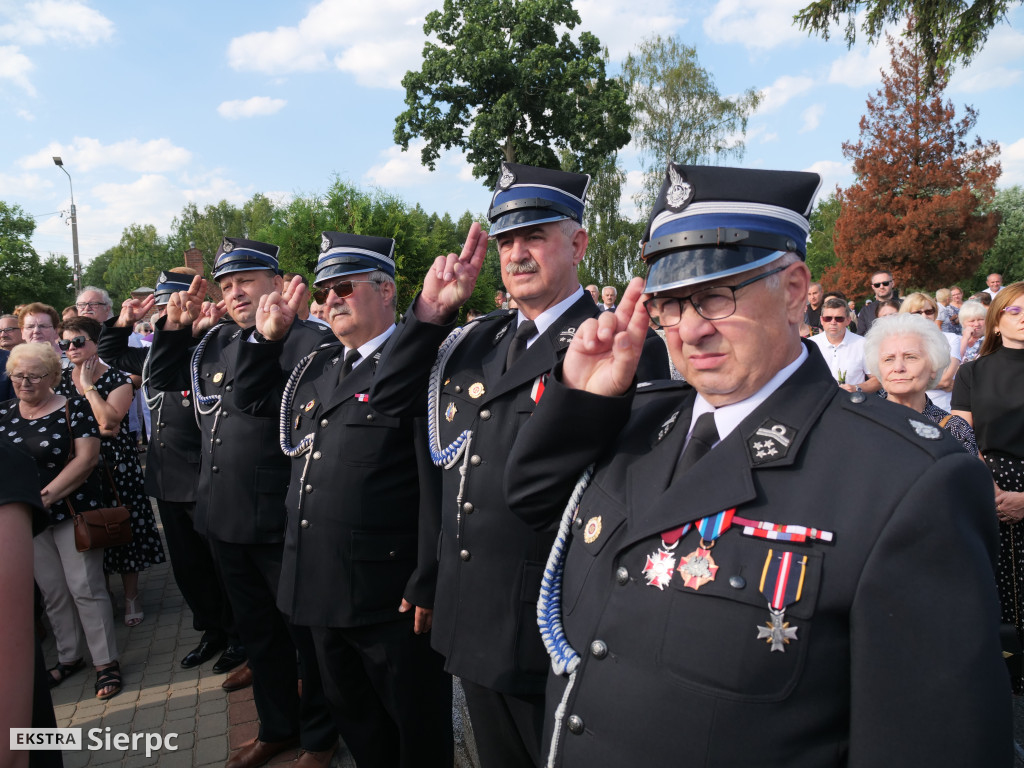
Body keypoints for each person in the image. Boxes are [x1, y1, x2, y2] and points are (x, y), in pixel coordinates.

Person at [502, 163, 1010, 767]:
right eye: (669, 303)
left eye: (716, 296)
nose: (690, 330)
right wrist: (581, 401)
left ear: (795, 289)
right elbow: (533, 506)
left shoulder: (909, 478)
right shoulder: (635, 419)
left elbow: (932, 743)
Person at [369, 162, 669, 768]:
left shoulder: (620, 344)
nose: (516, 252)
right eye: (506, 240)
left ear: (578, 243)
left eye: (534, 235)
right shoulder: (473, 339)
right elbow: (392, 405)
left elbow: (634, 494)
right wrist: (430, 311)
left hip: (552, 621)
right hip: (470, 612)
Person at [237, 231, 453, 767]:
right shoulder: (319, 365)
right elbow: (250, 398)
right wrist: (267, 339)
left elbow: (436, 481)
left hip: (388, 594)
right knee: (356, 718)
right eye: (325, 288)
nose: (330, 298)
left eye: (345, 286)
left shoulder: (421, 363)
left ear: (386, 290)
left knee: (416, 725)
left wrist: (429, 575)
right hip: (319, 586)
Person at [148, 238, 336, 768]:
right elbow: (163, 381)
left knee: (307, 640)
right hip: (222, 516)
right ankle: (277, 726)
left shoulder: (310, 338)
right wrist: (172, 329)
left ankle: (321, 737)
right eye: (227, 285)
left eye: (246, 282)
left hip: (281, 519)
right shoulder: (217, 341)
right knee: (259, 635)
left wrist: (269, 338)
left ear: (277, 284)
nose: (234, 293)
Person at [97, 270, 243, 676]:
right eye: (162, 306)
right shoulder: (158, 351)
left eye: (173, 304)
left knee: (220, 567)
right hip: (166, 479)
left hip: (204, 479)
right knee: (189, 569)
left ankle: (238, 636)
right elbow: (112, 354)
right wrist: (124, 320)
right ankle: (210, 629)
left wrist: (205, 324)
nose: (166, 312)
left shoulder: (208, 349)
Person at [1, 343, 121, 701]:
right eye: (18, 374)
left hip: (71, 512)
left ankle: (106, 663)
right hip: (27, 519)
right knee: (53, 592)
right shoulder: (3, 414)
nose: (25, 382)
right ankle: (69, 657)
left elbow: (86, 460)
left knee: (85, 588)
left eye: (34, 375)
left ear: (52, 376)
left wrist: (45, 496)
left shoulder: (75, 408)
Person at [55, 317, 166, 627]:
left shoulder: (117, 379)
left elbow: (111, 424)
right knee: (90, 529)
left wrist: (89, 388)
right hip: (78, 465)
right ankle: (103, 593)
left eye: (79, 341)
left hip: (116, 465)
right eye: (65, 343)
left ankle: (131, 595)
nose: (72, 348)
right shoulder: (59, 380)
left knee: (121, 528)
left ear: (95, 343)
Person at [952, 281, 1024, 694]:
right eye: (1013, 311)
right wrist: (988, 484)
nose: (1022, 318)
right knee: (993, 579)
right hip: (987, 483)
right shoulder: (973, 371)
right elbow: (962, 429)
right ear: (996, 322)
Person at [863, 313, 977, 454]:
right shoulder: (860, 421)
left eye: (911, 357)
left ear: (934, 367)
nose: (898, 368)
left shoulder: (953, 429)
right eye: (888, 359)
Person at [898, 293, 960, 411]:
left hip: (942, 408)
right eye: (917, 313)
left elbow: (946, 379)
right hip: (907, 409)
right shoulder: (898, 343)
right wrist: (938, 383)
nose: (924, 316)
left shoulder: (950, 339)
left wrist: (909, 383)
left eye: (928, 311)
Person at [808, 297, 880, 392]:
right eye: (828, 318)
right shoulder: (810, 344)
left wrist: (856, 389)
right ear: (821, 320)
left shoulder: (863, 344)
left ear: (848, 320)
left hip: (852, 403)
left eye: (839, 319)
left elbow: (878, 380)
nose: (833, 322)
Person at [856, 269, 900, 334]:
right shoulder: (866, 311)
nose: (881, 287)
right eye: (877, 285)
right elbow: (861, 336)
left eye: (885, 283)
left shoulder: (906, 305)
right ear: (873, 287)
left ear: (892, 283)